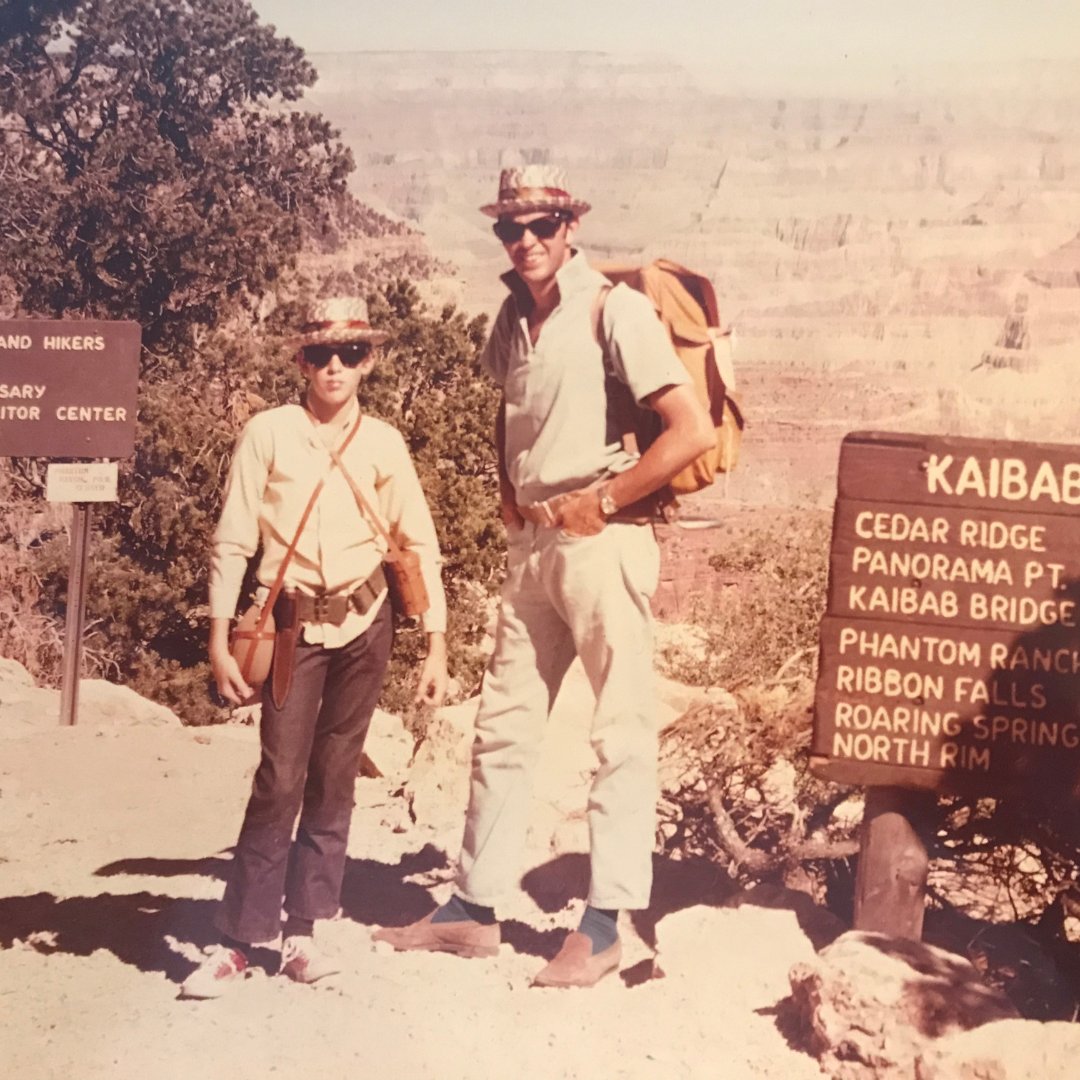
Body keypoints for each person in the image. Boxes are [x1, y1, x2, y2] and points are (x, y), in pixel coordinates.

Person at [373, 165, 714, 987]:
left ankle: (604, 925)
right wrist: (508, 496)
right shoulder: (513, 318)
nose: (524, 241)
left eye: (539, 225)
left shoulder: (614, 309)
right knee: (502, 726)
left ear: (569, 227)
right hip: (533, 545)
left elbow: (690, 430)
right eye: (509, 228)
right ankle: (473, 908)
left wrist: (606, 498)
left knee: (619, 730)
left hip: (603, 542)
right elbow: (509, 408)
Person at [180, 296, 449, 999]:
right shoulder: (269, 433)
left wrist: (436, 643)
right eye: (321, 354)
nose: (335, 367)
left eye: (351, 353)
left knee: (334, 780)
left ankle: (303, 931)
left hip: (366, 624)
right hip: (291, 629)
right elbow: (235, 537)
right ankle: (240, 939)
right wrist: (218, 634)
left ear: (371, 361)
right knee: (280, 778)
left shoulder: (385, 443)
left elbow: (416, 541)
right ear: (300, 360)